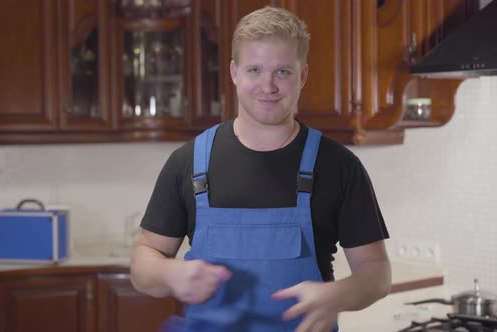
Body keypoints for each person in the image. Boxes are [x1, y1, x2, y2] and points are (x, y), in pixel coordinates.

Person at [130, 6, 391, 332]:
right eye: (254, 70)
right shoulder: (188, 163)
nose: (268, 86)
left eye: (283, 71)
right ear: (234, 72)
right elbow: (144, 263)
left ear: (303, 76)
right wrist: (168, 274)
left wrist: (338, 294)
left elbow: (376, 272)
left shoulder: (338, 166)